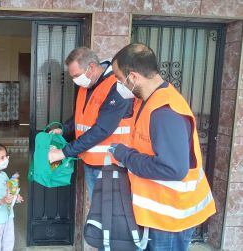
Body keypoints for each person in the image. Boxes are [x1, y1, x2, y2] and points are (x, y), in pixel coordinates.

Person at [109, 43, 216, 250]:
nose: (118, 85)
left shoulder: (165, 111)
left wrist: (126, 156)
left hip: (171, 218)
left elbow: (173, 168)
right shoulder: (147, 101)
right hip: (160, 215)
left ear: (133, 77)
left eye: (119, 79)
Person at [48, 46, 134, 201]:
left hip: (110, 166)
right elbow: (80, 117)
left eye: (76, 75)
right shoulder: (86, 85)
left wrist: (64, 152)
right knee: (98, 213)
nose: (75, 80)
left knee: (107, 216)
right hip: (91, 162)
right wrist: (63, 129)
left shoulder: (117, 87)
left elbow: (101, 129)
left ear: (92, 67)